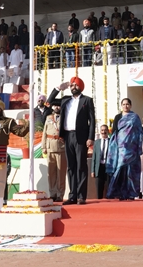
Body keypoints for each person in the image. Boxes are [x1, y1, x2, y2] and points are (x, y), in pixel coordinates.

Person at [47, 77, 96, 205]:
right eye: (72, 85)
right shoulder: (65, 100)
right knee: (71, 167)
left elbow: (92, 120)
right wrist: (58, 88)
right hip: (67, 136)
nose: (73, 87)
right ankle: (72, 196)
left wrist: (90, 137)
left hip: (81, 137)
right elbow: (49, 101)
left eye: (76, 85)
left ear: (81, 86)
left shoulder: (87, 100)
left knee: (81, 166)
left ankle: (81, 196)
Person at [105, 99, 143, 200]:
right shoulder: (118, 117)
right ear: (121, 106)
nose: (126, 106)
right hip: (120, 147)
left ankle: (131, 194)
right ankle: (119, 192)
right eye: (124, 104)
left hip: (132, 147)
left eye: (127, 104)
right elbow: (114, 132)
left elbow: (139, 131)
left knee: (131, 171)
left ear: (130, 105)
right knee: (120, 168)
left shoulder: (135, 117)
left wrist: (139, 146)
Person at [43, 101, 67, 202]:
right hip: (50, 147)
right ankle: (52, 193)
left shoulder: (65, 117)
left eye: (58, 106)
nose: (57, 107)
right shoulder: (48, 118)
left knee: (61, 172)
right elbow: (44, 132)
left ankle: (60, 194)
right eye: (55, 105)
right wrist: (43, 146)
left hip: (61, 147)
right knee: (51, 173)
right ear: (52, 107)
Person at [91, 124, 111, 199]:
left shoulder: (111, 141)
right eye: (102, 130)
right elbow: (94, 157)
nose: (103, 132)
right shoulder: (97, 142)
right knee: (99, 187)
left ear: (108, 131)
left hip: (108, 166)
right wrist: (92, 170)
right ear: (100, 131)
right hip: (99, 167)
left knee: (108, 186)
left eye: (105, 130)